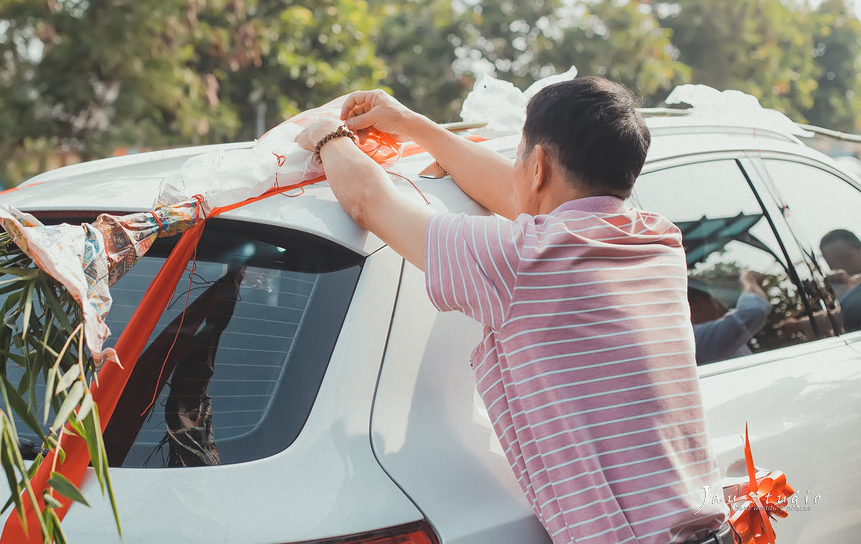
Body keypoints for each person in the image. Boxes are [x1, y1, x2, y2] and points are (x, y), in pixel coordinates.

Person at [295, 77, 732, 544]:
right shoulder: (658, 241)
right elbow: (513, 191)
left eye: (522, 153)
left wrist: (323, 134)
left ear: (538, 166)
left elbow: (370, 204)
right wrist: (408, 123)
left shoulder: (525, 260)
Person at [689, 271, 772, 365]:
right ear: (700, 304)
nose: (719, 306)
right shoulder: (695, 338)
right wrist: (749, 281)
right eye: (714, 300)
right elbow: (755, 310)